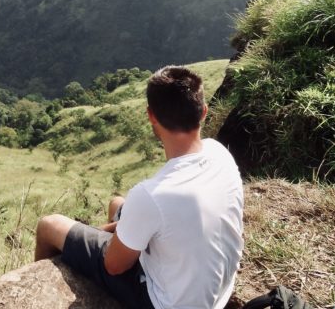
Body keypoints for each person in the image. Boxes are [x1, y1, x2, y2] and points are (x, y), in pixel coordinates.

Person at [35, 66, 243, 309]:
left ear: (151, 116)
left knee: (49, 225)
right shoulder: (220, 154)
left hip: (165, 302)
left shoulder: (151, 195)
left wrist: (103, 235)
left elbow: (115, 266)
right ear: (204, 112)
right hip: (220, 292)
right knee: (116, 203)